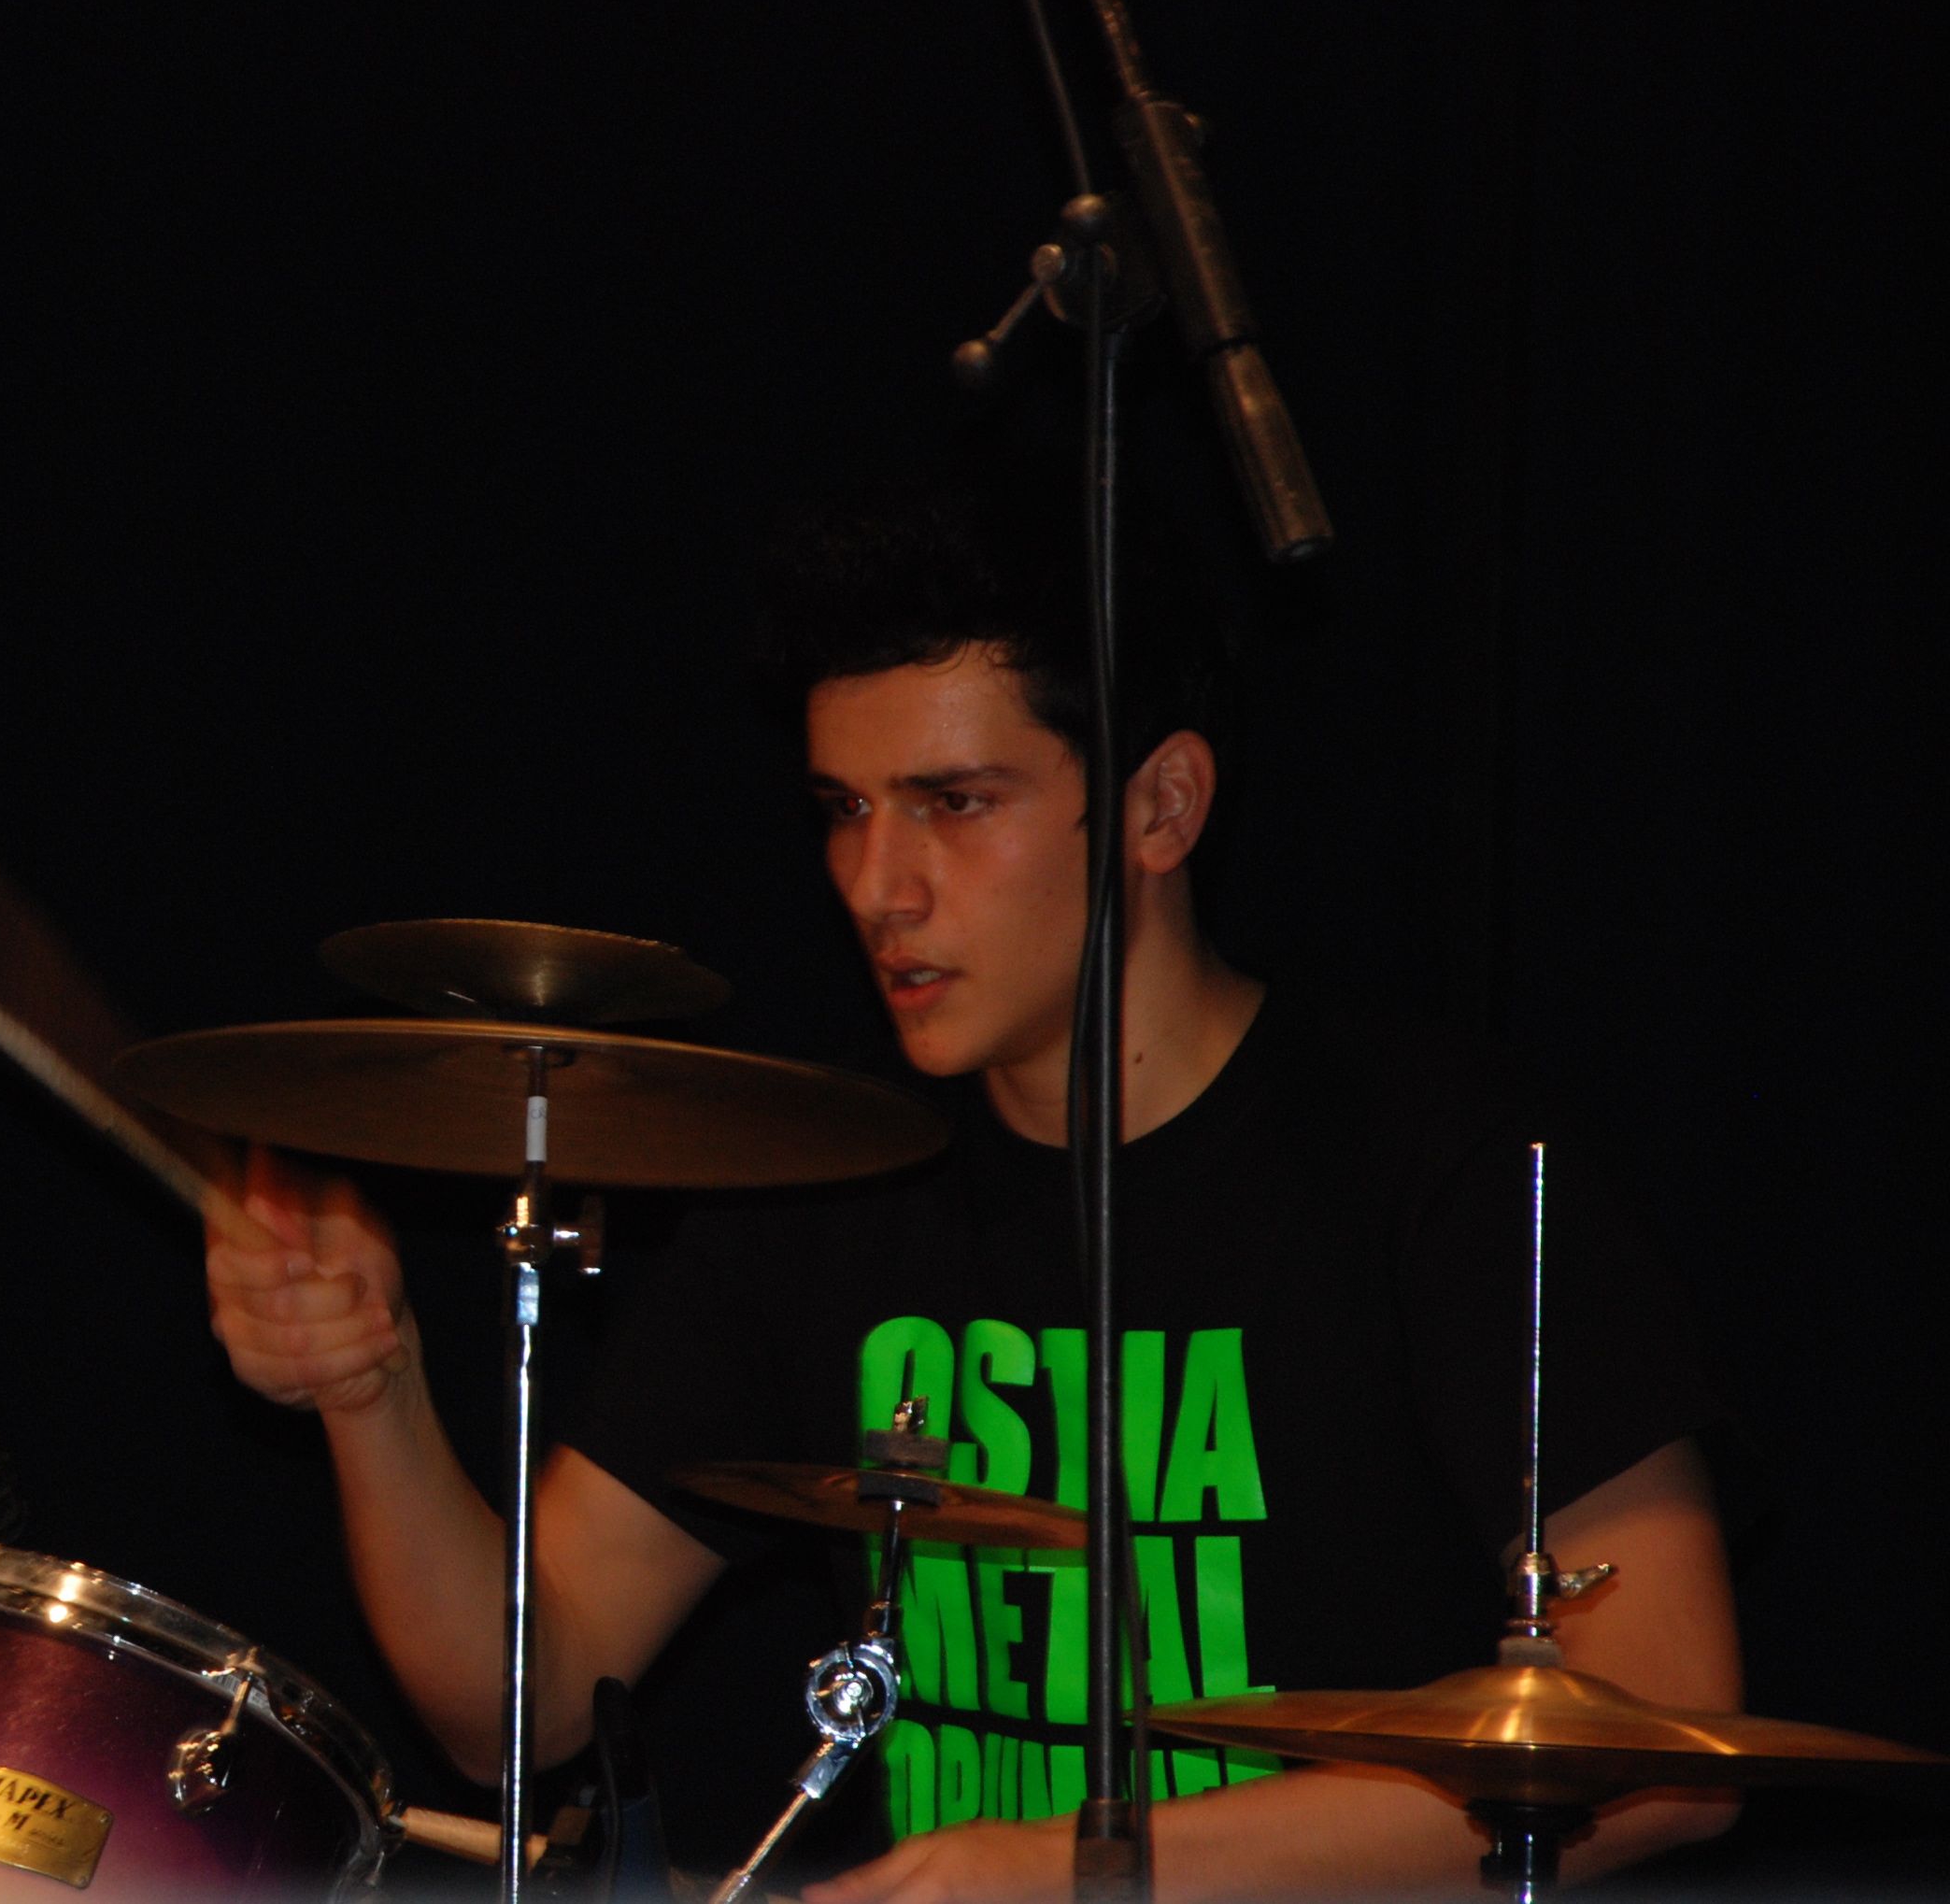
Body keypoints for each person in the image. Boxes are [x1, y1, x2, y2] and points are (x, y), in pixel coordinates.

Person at [204, 484, 1742, 1899]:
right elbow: (518, 1705)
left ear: (1162, 806)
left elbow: (1666, 1738)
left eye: (953, 802)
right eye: (844, 807)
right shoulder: (821, 1181)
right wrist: (369, 1390)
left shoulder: (1440, 1163)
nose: (878, 886)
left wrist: (1088, 1872)